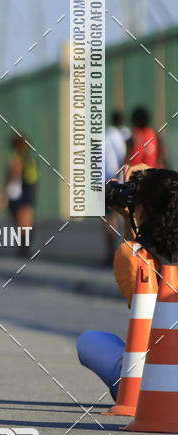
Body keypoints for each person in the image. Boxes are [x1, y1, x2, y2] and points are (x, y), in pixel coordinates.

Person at [77, 164, 178, 399]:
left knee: (89, 341)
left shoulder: (135, 255)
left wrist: (128, 218)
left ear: (141, 208)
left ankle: (129, 387)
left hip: (152, 385)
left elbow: (140, 308)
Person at [4, 135, 38, 258]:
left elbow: (13, 177)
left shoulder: (16, 160)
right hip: (28, 191)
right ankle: (24, 247)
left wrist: (5, 194)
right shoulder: (30, 160)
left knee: (21, 221)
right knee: (24, 221)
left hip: (20, 192)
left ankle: (24, 247)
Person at [103, 110, 129, 266]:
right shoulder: (128, 135)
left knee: (110, 218)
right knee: (128, 217)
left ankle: (112, 254)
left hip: (109, 180)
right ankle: (128, 253)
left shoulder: (106, 135)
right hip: (127, 179)